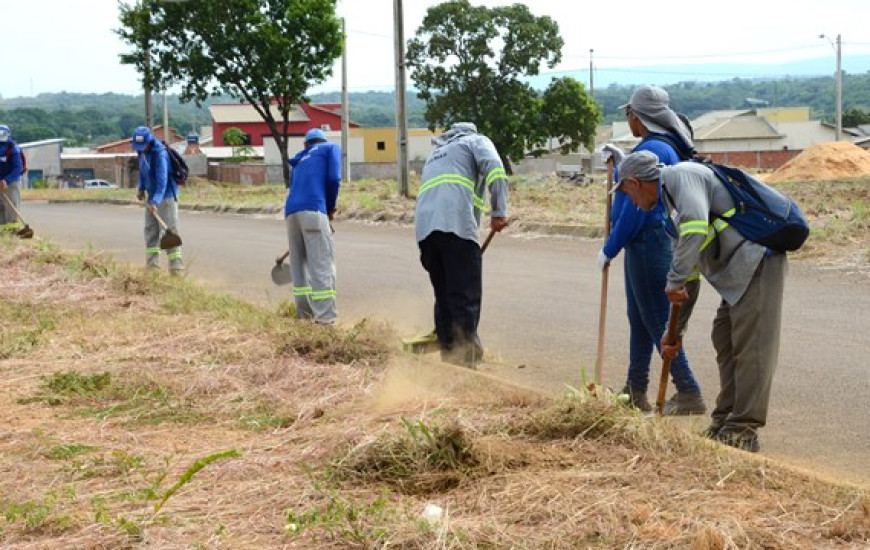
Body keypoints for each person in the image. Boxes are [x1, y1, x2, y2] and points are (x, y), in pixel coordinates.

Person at [614, 150, 787, 452]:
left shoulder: (682, 176)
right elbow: (688, 281)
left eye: (625, 191)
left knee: (752, 350)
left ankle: (742, 430)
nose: (629, 200)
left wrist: (674, 279)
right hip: (736, 274)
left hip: (758, 262)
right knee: (725, 338)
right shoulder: (669, 213)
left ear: (635, 182)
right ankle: (724, 421)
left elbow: (695, 226)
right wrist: (674, 333)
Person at [599, 85, 705, 415]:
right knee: (640, 318)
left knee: (658, 318)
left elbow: (636, 208)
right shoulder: (659, 145)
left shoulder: (656, 147)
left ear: (638, 116)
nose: (628, 121)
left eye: (628, 115)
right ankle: (635, 388)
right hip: (646, 243)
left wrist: (610, 247)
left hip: (648, 242)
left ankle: (688, 392)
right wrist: (621, 161)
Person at [415, 122, 509, 368]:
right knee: (464, 296)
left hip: (425, 234)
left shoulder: (435, 154)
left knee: (445, 296)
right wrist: (499, 211)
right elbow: (496, 169)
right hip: (455, 226)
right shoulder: (474, 141)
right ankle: (465, 362)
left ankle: (449, 360)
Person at [284, 128, 341, 325]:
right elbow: (334, 178)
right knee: (321, 264)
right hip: (314, 209)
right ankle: (326, 321)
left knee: (299, 265)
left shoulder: (299, 160)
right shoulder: (329, 148)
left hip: (291, 213)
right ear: (322, 140)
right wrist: (330, 206)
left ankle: (304, 316)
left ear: (306, 144)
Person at [131, 126, 184, 275]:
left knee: (170, 233)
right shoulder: (142, 153)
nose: (142, 149)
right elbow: (142, 172)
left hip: (166, 197)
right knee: (150, 231)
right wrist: (141, 189)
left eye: (144, 146)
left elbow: (163, 182)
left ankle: (176, 270)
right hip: (151, 197)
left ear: (150, 141)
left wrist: (155, 201)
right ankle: (152, 268)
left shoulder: (160, 154)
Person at [0, 125, 25, 233]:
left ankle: (12, 232)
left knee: (11, 208)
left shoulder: (13, 149)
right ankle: (2, 232)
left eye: (3, 134)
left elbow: (18, 168)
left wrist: (7, 180)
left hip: (12, 181)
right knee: (1, 208)